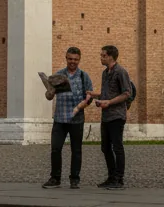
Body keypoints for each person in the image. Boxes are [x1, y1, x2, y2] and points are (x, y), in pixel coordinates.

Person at [43, 47, 93, 190]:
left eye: (75, 59)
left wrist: (85, 102)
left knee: (76, 150)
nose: (72, 62)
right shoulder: (58, 75)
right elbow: (48, 97)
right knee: (55, 149)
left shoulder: (84, 76)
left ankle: (75, 179)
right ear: (66, 58)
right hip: (60, 118)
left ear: (79, 60)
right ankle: (55, 178)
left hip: (76, 119)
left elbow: (89, 96)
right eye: (70, 59)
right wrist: (50, 92)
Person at [89, 45, 132, 190]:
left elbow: (127, 93)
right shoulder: (104, 73)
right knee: (105, 148)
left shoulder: (121, 72)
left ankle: (119, 179)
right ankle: (111, 177)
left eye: (103, 55)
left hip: (117, 116)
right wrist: (97, 97)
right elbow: (106, 94)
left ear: (111, 57)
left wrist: (109, 102)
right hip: (106, 116)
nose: (101, 58)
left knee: (117, 147)